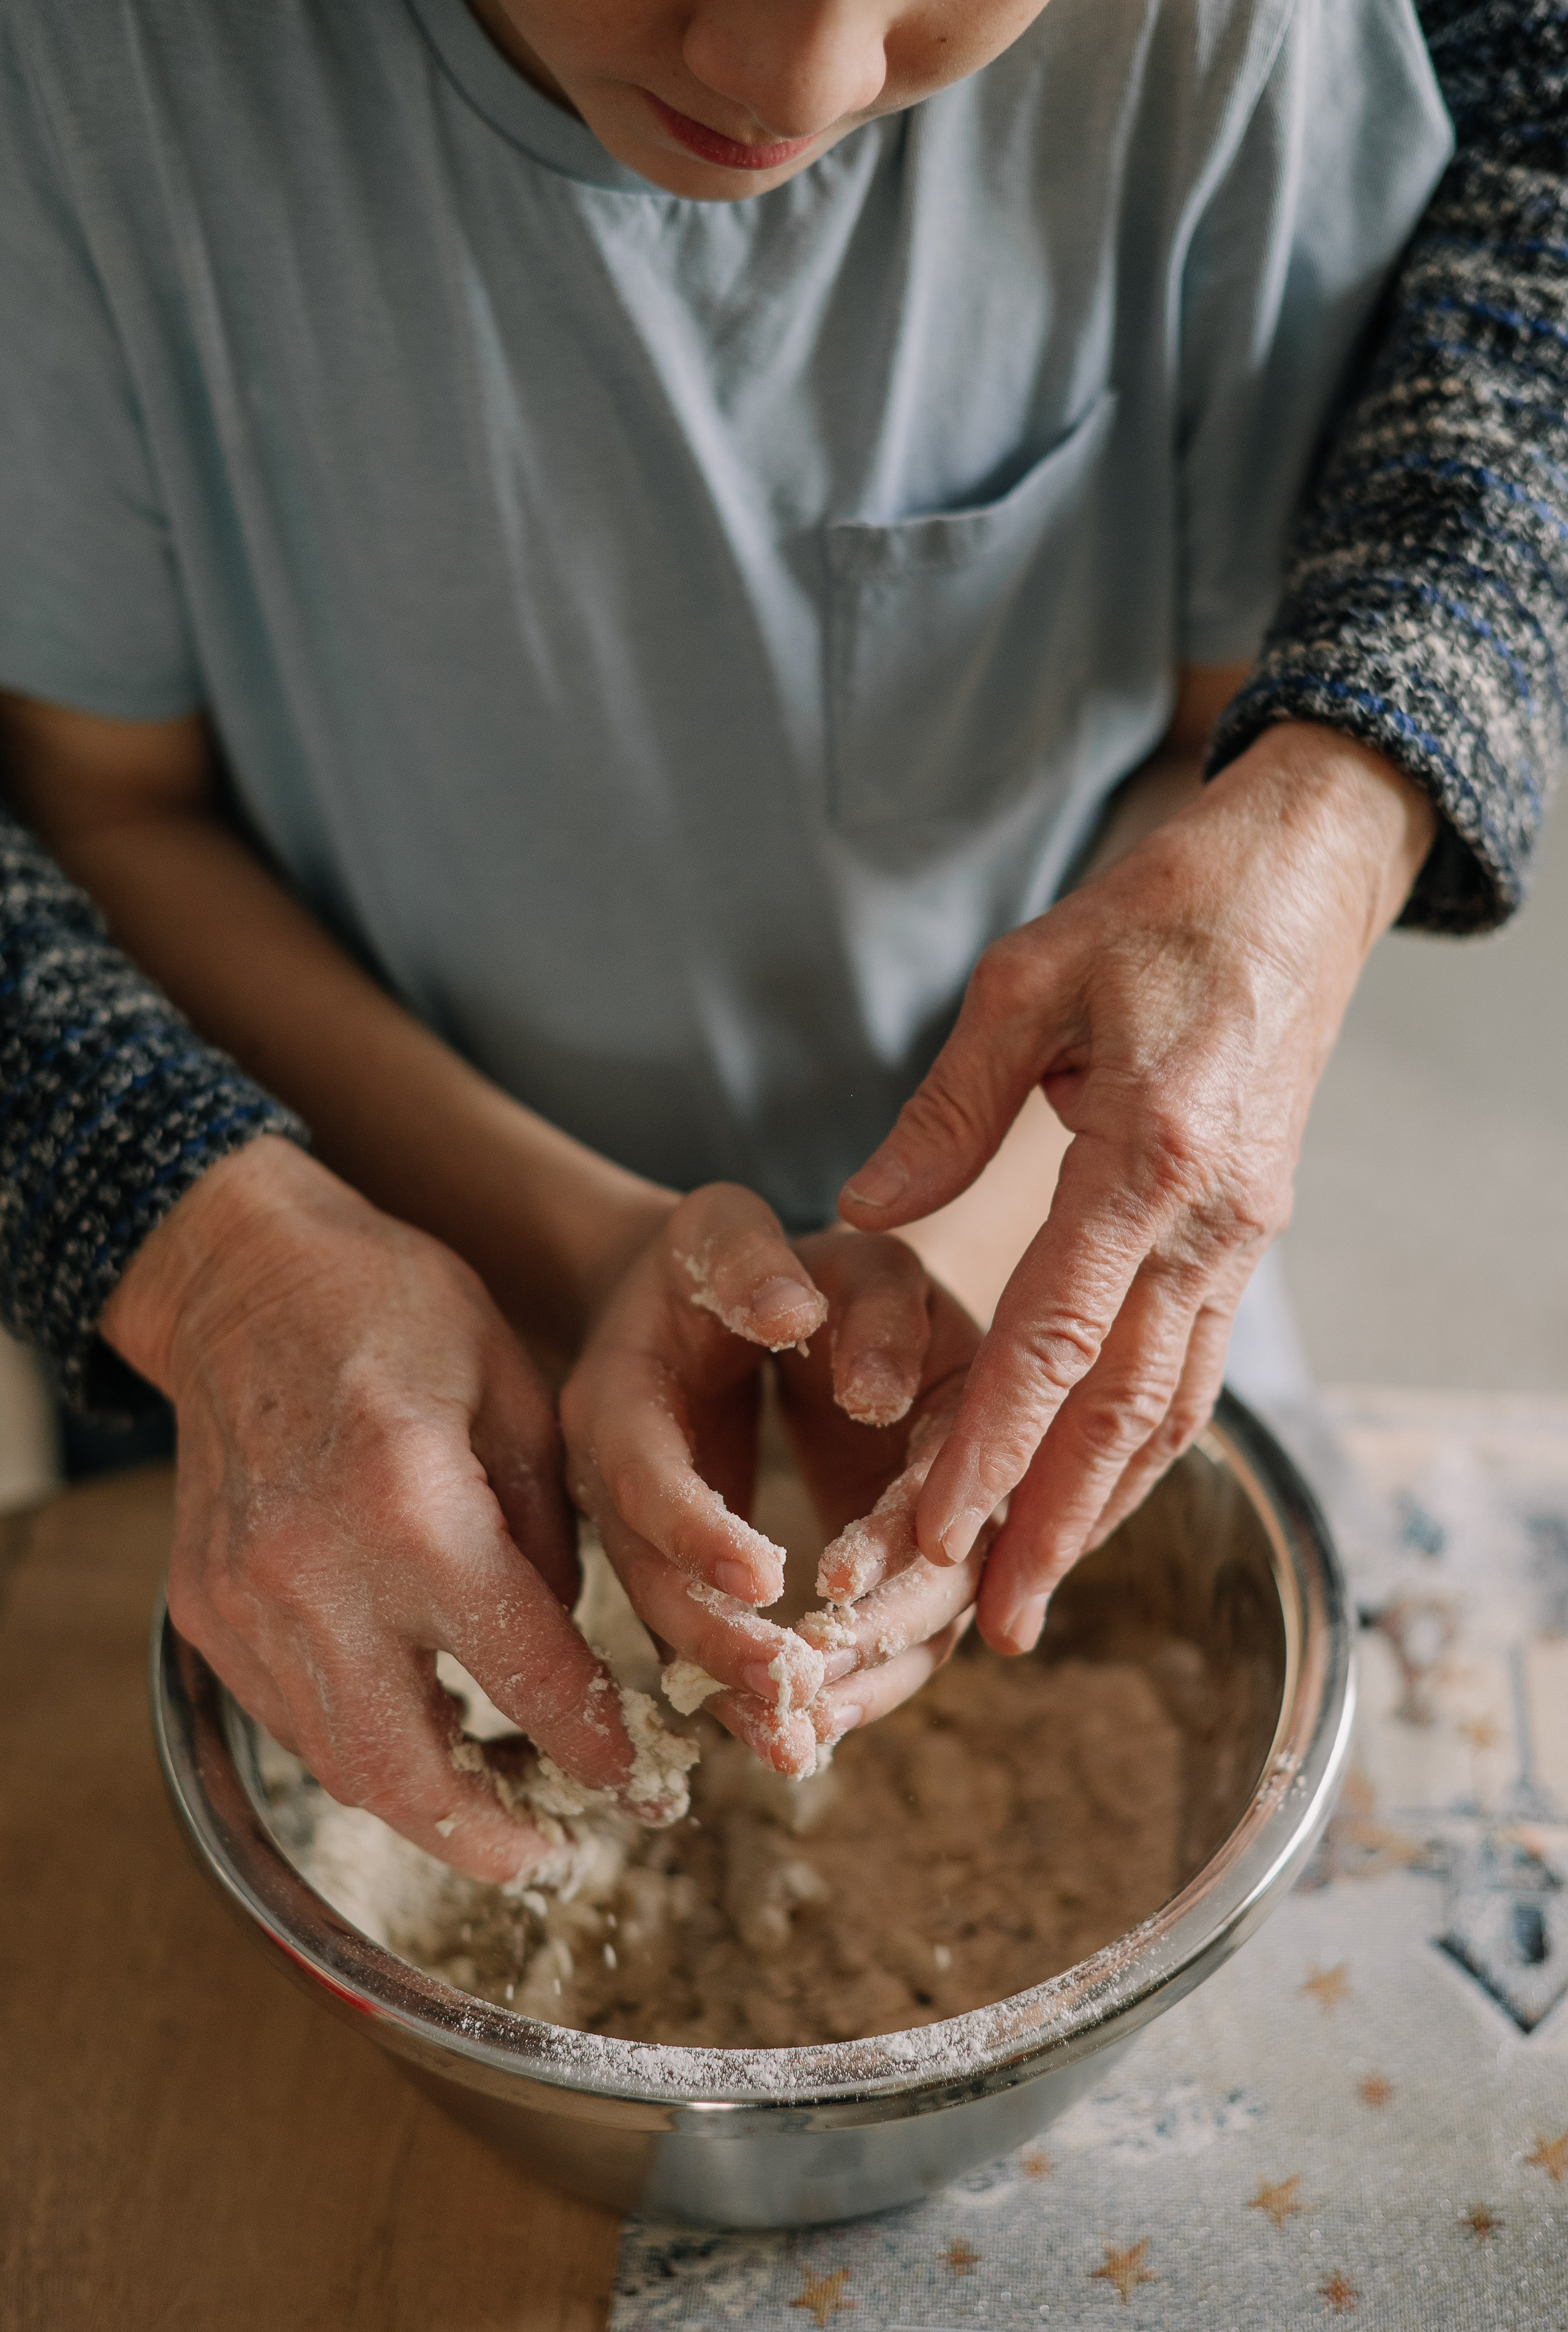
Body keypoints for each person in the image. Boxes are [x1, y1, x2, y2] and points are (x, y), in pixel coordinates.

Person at [0, 0, 1561, 1881]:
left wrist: (953, 1271)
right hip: (343, 1299)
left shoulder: (1234, 46)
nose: (791, 86)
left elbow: (1209, 756)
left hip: (1042, 1236)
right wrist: (550, 1253)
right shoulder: (95, 84)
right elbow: (112, 809)